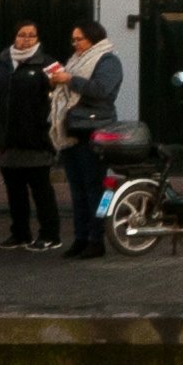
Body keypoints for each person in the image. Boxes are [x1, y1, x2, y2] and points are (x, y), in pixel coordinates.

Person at [0, 23, 61, 252]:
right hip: (8, 141)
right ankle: (20, 233)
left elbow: (61, 95)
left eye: (31, 35)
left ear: (37, 39)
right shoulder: (2, 64)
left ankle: (50, 234)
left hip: (36, 139)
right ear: (14, 37)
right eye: (21, 35)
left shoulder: (47, 64)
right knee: (15, 191)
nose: (26, 39)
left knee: (41, 189)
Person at [57, 22, 123, 258]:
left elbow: (101, 90)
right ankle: (80, 237)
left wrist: (69, 80)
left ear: (93, 39)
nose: (75, 44)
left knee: (93, 189)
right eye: (73, 40)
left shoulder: (108, 61)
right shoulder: (75, 60)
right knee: (77, 190)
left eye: (80, 39)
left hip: (93, 131)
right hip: (72, 131)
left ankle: (97, 240)